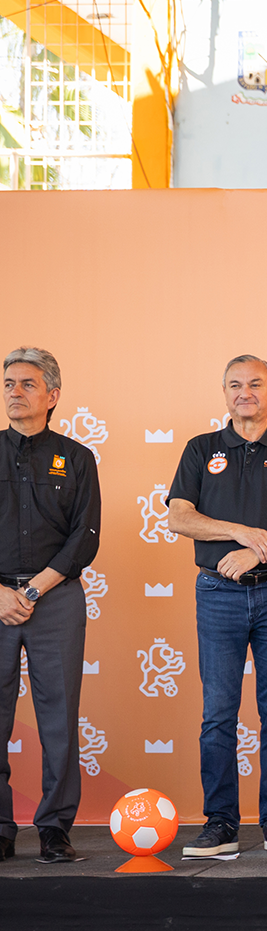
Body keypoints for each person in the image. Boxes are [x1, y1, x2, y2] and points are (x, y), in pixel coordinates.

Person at [167, 355, 267, 857]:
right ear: (224, 393)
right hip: (217, 593)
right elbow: (179, 518)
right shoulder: (201, 449)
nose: (245, 392)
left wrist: (262, 550)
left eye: (255, 384)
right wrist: (240, 533)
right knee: (218, 713)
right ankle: (220, 823)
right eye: (235, 385)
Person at [0, 348, 100, 864]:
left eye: (27, 384)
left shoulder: (77, 458)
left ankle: (55, 829)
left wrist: (33, 590)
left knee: (58, 718)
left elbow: (84, 537)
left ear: (52, 396)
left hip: (54, 599)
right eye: (9, 383)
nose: (15, 392)